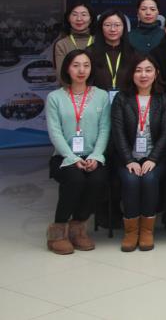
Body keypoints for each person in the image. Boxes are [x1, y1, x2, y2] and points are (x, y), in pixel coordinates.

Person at [45, 49, 110, 254]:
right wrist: (72, 158)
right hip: (63, 157)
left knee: (98, 179)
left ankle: (78, 228)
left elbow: (104, 128)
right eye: (76, 65)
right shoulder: (54, 97)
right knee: (75, 179)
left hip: (92, 155)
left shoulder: (101, 96)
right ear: (67, 69)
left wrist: (96, 156)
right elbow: (55, 132)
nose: (81, 70)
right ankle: (58, 231)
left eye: (86, 65)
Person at [111, 53, 166, 252]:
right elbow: (118, 132)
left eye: (148, 70)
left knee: (149, 179)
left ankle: (147, 230)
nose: (143, 75)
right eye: (138, 70)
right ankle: (131, 231)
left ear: (156, 73)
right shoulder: (122, 98)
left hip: (156, 158)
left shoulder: (163, 99)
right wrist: (129, 160)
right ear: (131, 74)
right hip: (127, 158)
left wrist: (153, 158)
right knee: (131, 180)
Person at [88, 9, 133, 103]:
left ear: (124, 28)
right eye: (107, 25)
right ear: (101, 27)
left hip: (127, 104)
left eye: (117, 25)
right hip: (96, 103)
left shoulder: (133, 53)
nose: (112, 29)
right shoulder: (90, 52)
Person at [53, 1, 96, 82]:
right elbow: (61, 76)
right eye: (74, 14)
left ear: (91, 19)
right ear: (68, 18)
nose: (79, 19)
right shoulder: (62, 44)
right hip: (71, 89)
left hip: (97, 89)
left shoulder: (99, 41)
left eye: (84, 15)